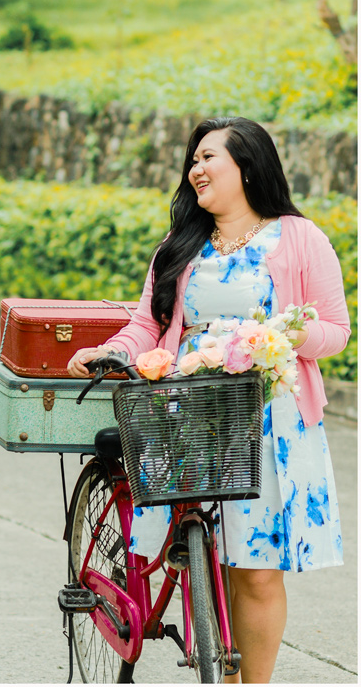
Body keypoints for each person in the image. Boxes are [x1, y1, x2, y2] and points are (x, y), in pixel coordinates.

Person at [68, 116, 350, 685]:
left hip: (269, 421)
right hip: (191, 415)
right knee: (213, 559)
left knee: (259, 573)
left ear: (248, 166)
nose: (195, 169)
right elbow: (148, 325)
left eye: (208, 157)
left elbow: (336, 331)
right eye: (192, 160)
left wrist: (284, 336)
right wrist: (108, 351)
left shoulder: (299, 238)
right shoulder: (179, 247)